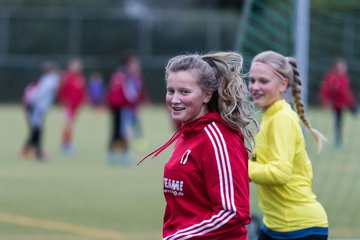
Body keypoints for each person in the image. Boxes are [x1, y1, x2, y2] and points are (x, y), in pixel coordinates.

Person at [139, 52, 257, 239]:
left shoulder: (219, 139)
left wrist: (179, 237)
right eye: (171, 91)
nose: (175, 99)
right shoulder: (188, 133)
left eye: (185, 92)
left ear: (207, 95)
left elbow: (232, 212)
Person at [248, 50, 329, 240]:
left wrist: (241, 167)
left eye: (263, 81)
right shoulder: (270, 116)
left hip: (300, 228)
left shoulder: (281, 118)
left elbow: (280, 172)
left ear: (283, 84)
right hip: (274, 226)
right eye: (252, 80)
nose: (255, 87)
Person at [106, 51, 146, 165]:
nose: (136, 65)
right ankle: (121, 155)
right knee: (123, 131)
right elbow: (129, 94)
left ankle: (114, 154)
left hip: (120, 106)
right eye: (134, 62)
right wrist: (135, 105)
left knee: (118, 131)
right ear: (128, 63)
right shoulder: (124, 76)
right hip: (123, 107)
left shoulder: (125, 75)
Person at [21, 61, 60, 160]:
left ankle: (28, 149)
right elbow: (39, 93)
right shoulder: (49, 80)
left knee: (36, 131)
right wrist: (31, 103)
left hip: (38, 108)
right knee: (37, 130)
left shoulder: (45, 80)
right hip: (36, 108)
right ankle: (38, 153)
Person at [320, 58, 358, 148]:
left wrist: (351, 101)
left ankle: (338, 140)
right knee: (338, 122)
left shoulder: (345, 78)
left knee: (354, 111)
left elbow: (347, 92)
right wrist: (326, 101)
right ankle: (338, 141)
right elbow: (326, 90)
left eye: (344, 66)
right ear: (337, 67)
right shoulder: (332, 77)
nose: (343, 68)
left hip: (346, 102)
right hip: (337, 105)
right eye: (341, 66)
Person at [57, 58, 86, 154]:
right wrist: (63, 102)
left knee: (71, 125)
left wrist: (82, 102)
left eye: (78, 65)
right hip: (68, 106)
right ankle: (65, 145)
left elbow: (82, 93)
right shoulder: (66, 77)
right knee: (68, 125)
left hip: (76, 107)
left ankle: (68, 143)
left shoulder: (80, 78)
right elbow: (60, 91)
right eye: (74, 65)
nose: (77, 67)